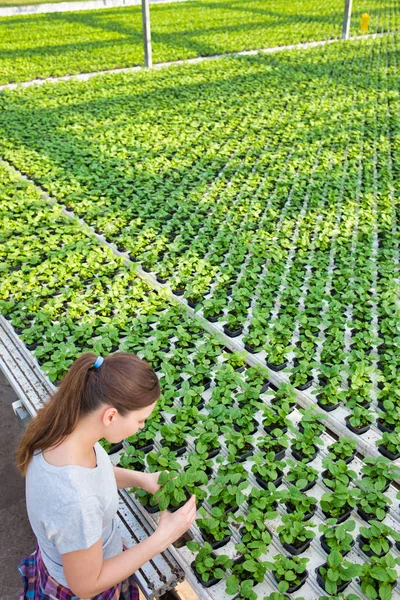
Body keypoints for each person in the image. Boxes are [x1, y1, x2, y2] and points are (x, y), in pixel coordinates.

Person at [16, 352, 196, 600]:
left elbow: (93, 476)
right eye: (141, 420)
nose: (141, 427)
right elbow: (87, 585)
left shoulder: (66, 431)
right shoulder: (76, 502)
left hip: (80, 557)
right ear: (110, 415)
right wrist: (163, 537)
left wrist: (141, 479)